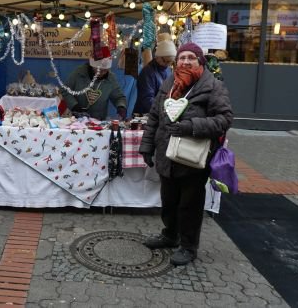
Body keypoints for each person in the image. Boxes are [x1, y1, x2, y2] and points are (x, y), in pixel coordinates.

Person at [138, 42, 233, 266]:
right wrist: (147, 146)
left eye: (191, 57)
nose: (186, 61)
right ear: (176, 61)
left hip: (193, 158)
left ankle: (189, 246)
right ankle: (170, 235)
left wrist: (191, 126)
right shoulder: (169, 83)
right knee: (168, 200)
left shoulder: (212, 86)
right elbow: (154, 117)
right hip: (166, 153)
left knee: (189, 204)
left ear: (200, 61)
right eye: (182, 57)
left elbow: (224, 119)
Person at [62, 47, 127, 120]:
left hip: (99, 120)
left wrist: (121, 107)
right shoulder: (79, 73)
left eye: (105, 71)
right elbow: (65, 90)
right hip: (77, 119)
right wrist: (74, 106)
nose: (101, 73)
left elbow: (118, 97)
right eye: (99, 70)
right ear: (93, 66)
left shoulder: (110, 78)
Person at [134, 39, 177, 115]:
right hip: (145, 115)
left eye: (170, 62)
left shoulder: (167, 70)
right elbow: (147, 100)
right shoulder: (147, 73)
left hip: (159, 113)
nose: (168, 64)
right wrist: (165, 111)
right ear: (158, 57)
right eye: (166, 61)